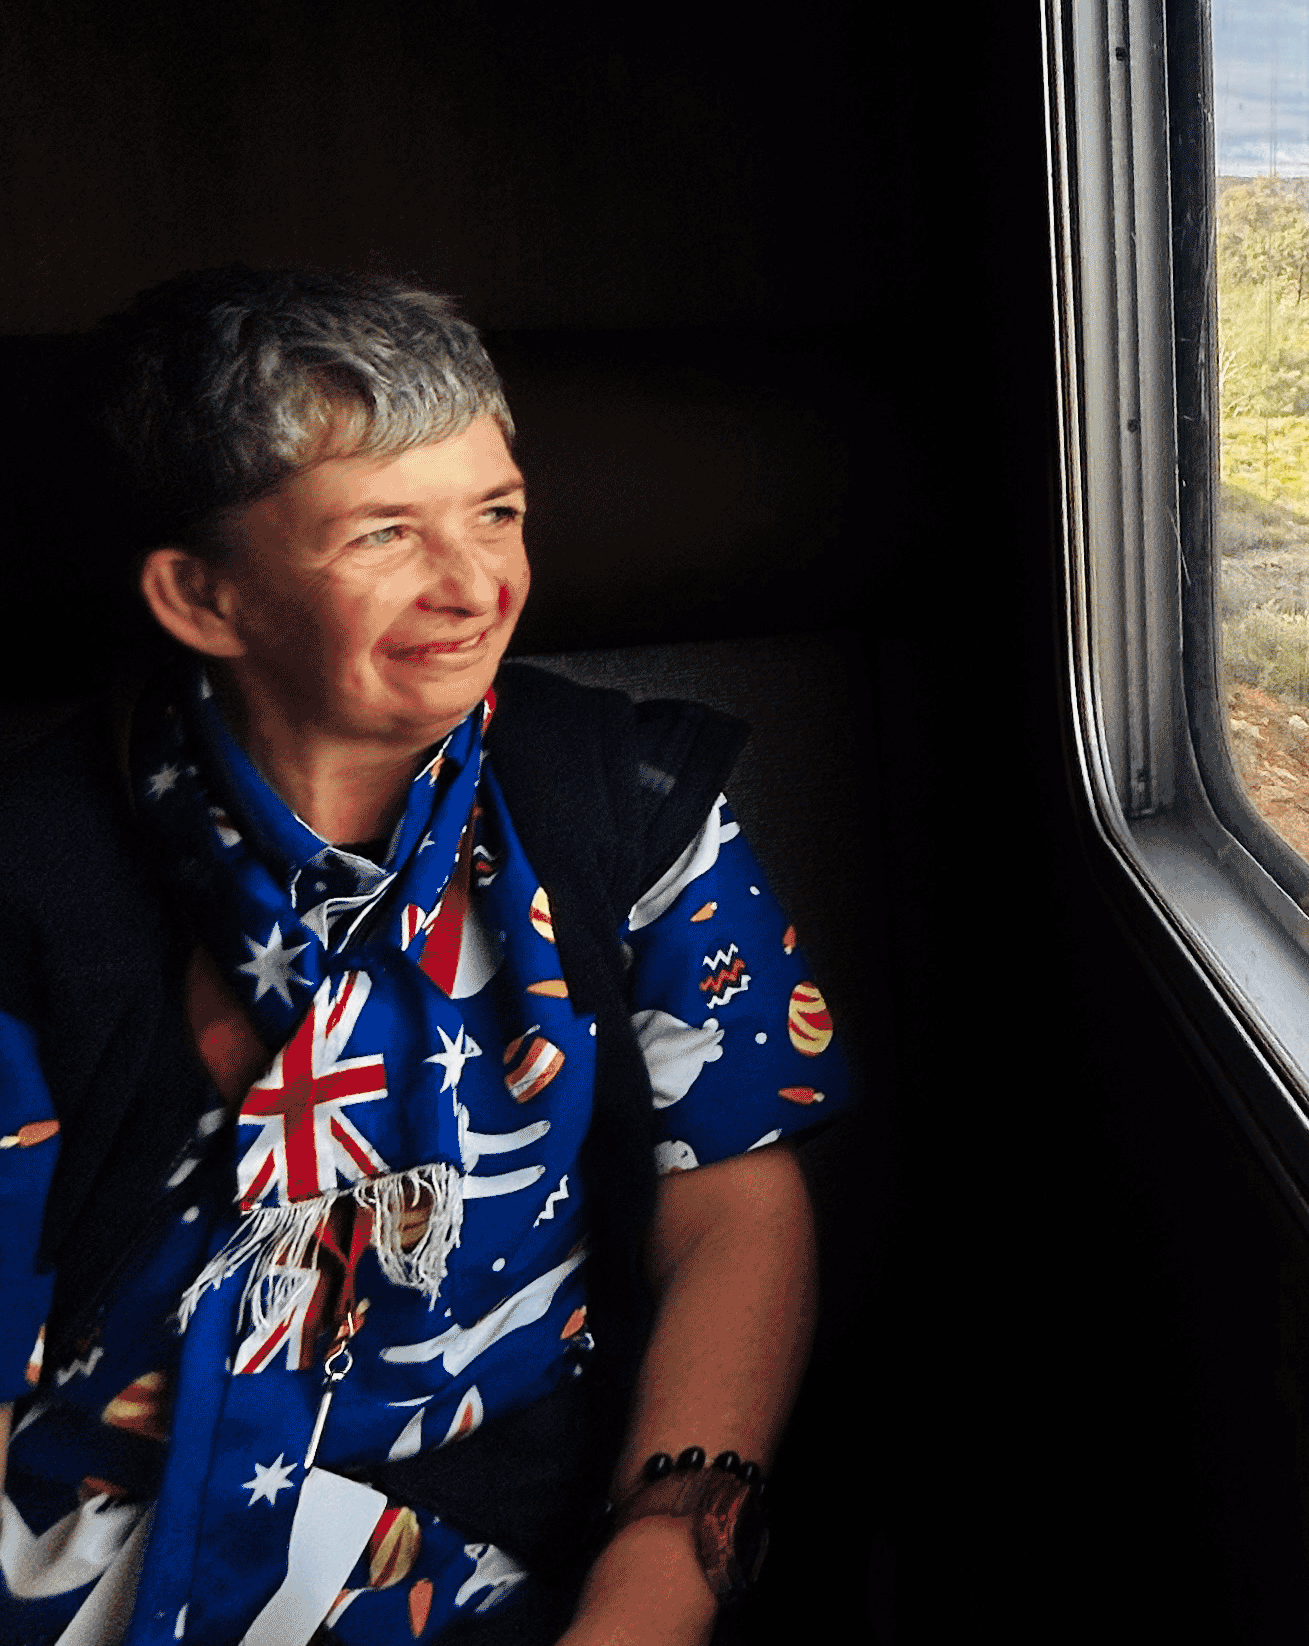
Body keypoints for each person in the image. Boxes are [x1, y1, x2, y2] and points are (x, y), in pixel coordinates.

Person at [0, 272, 853, 1643]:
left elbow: (737, 1205)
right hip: (95, 1535)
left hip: (517, 1519)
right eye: (383, 534)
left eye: (498, 513)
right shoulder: (30, 880)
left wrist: (659, 1573)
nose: (474, 586)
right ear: (203, 597)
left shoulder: (628, 804)